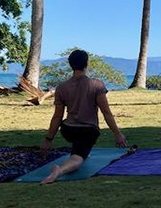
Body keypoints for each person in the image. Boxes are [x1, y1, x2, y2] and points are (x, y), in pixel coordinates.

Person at [40, 50, 127, 184]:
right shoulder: (97, 85)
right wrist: (118, 134)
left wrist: (48, 139)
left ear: (71, 66)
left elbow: (57, 116)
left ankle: (82, 151)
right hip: (87, 131)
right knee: (77, 158)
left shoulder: (62, 88)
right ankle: (59, 171)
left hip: (68, 130)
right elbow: (106, 112)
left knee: (80, 144)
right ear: (87, 64)